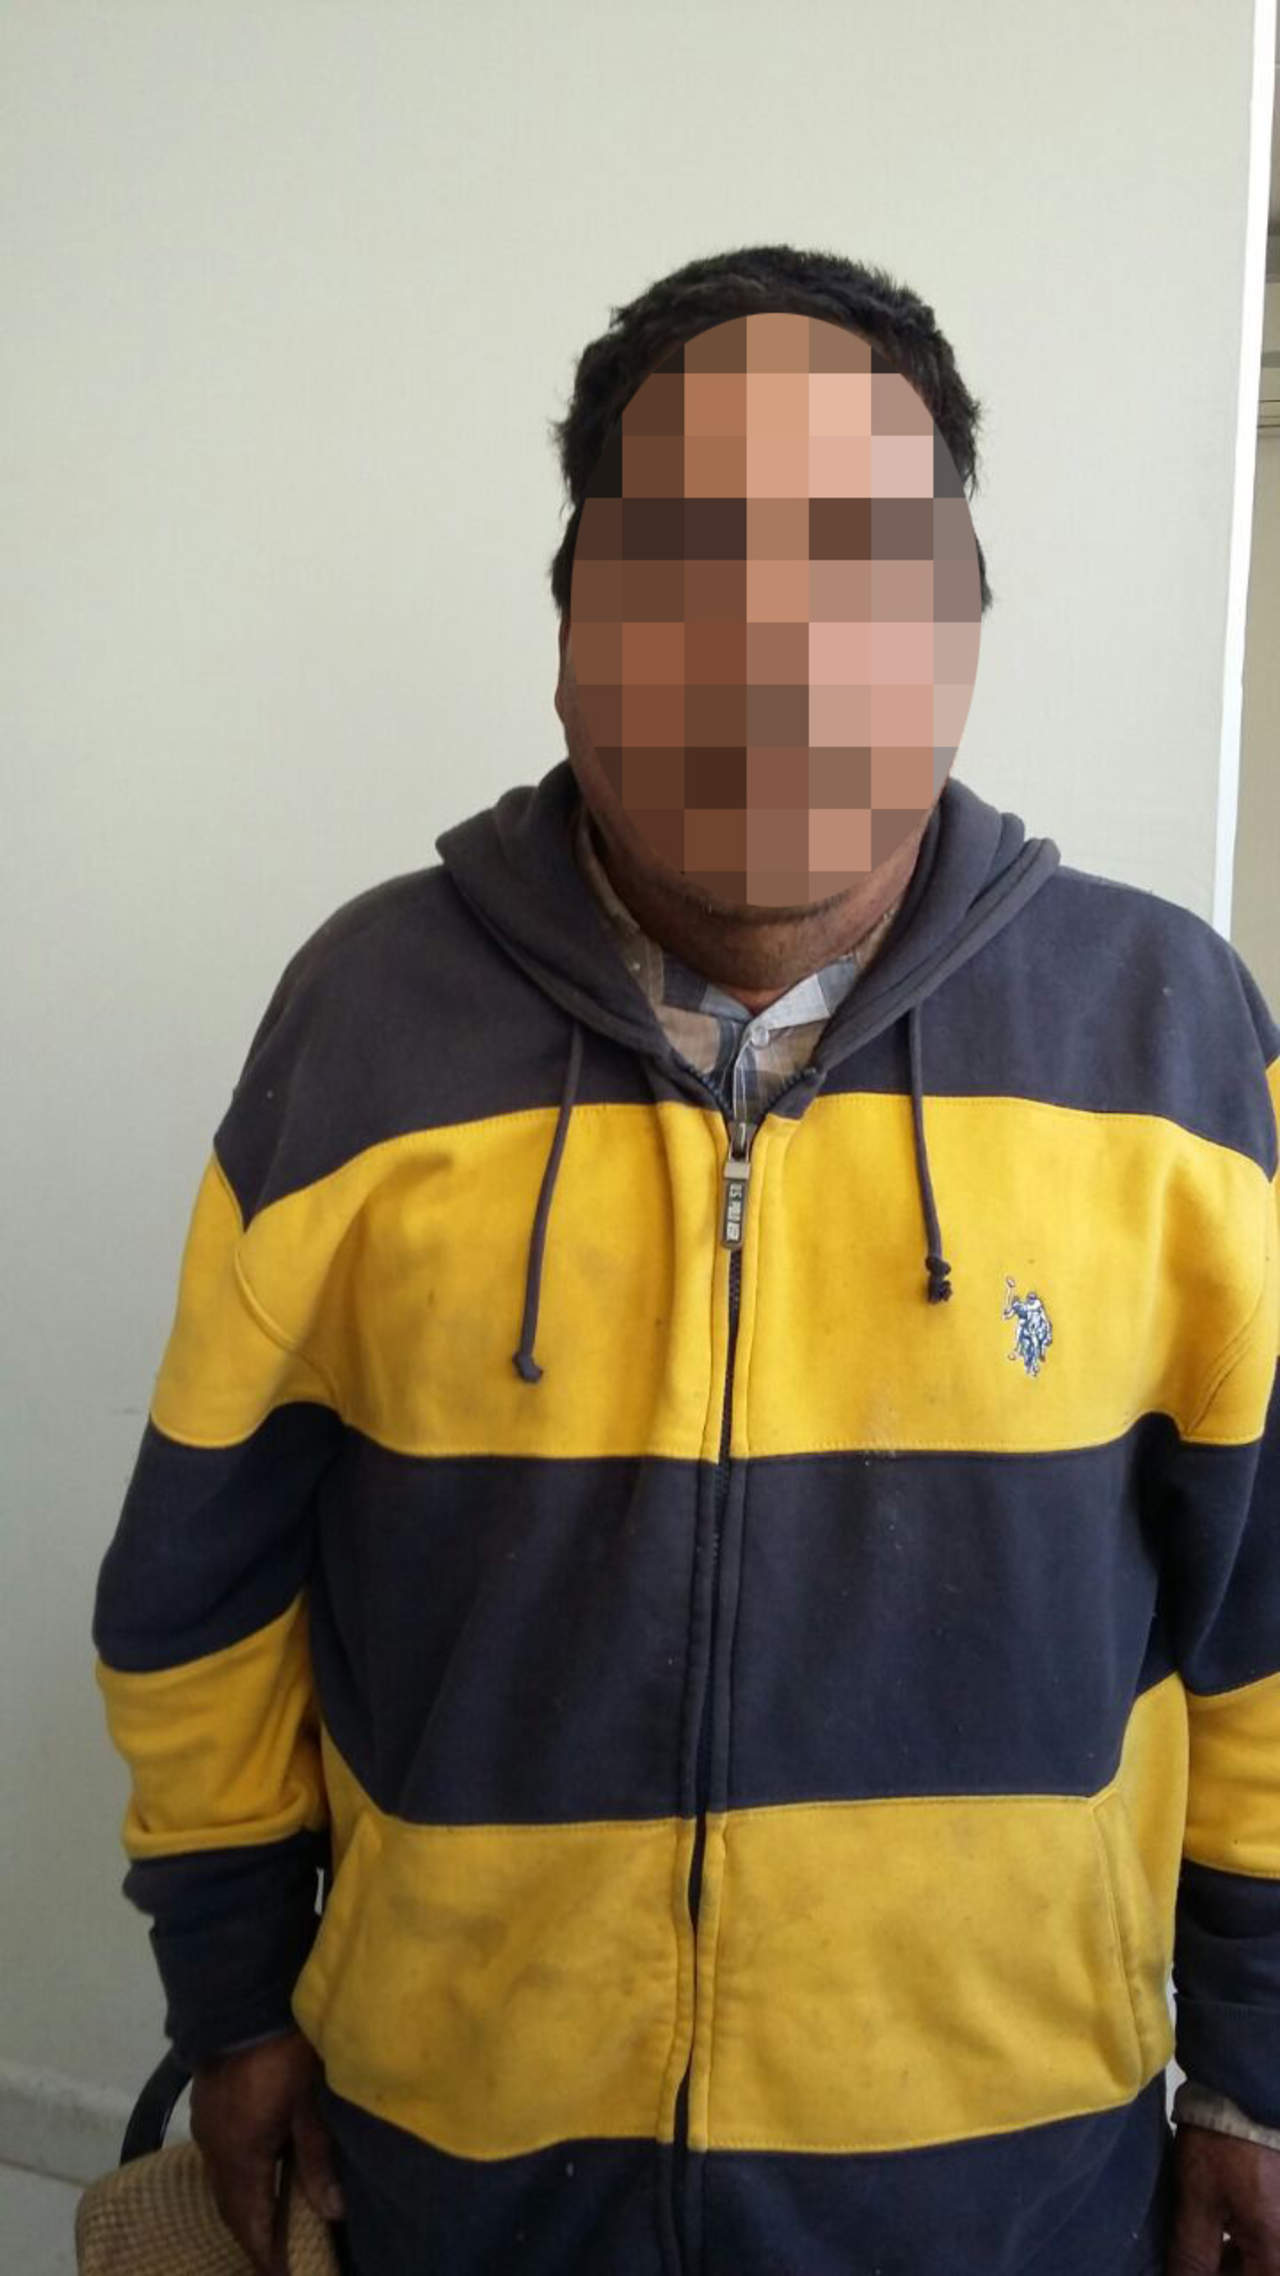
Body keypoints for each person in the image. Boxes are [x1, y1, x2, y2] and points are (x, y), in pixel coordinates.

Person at [91, 244, 1280, 2276]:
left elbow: (1262, 1618)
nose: (778, 648)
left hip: (1007, 2192)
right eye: (692, 558)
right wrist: (233, 1993)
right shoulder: (362, 1020)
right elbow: (206, 1584)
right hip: (458, 2165)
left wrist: (1250, 2068)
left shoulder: (1172, 1041)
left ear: (964, 625)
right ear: (573, 628)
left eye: (862, 561)